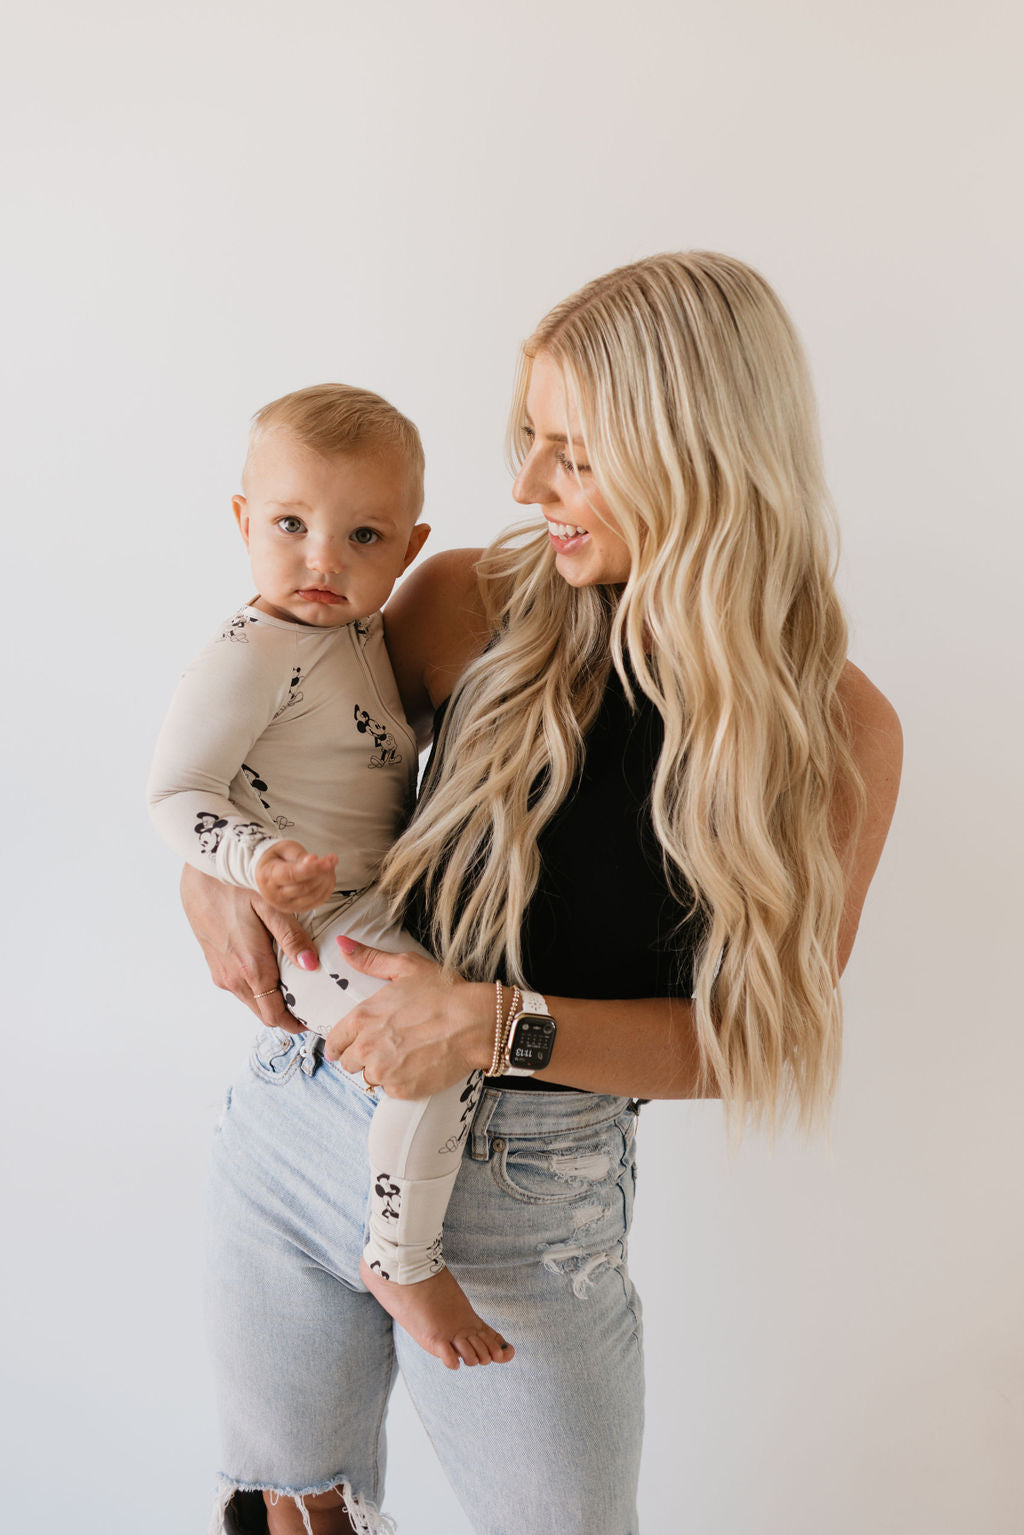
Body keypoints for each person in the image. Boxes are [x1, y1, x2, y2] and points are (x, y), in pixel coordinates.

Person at [182, 251, 903, 1535]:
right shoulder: (466, 598)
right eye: (529, 439)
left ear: (696, 449)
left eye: (571, 450)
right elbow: (292, 747)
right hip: (303, 1121)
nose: (525, 485)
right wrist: (212, 868)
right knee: (288, 1509)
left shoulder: (832, 731)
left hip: (530, 1204)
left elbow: (754, 1039)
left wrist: (493, 1020)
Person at [149, 383, 513, 1373]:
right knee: (432, 1061)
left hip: (380, 901)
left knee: (446, 1033)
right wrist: (248, 862)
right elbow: (176, 792)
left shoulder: (356, 641)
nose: (323, 559)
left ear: (408, 544)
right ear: (241, 521)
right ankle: (401, 1254)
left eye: (362, 535)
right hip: (319, 923)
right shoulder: (251, 654)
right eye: (291, 525)